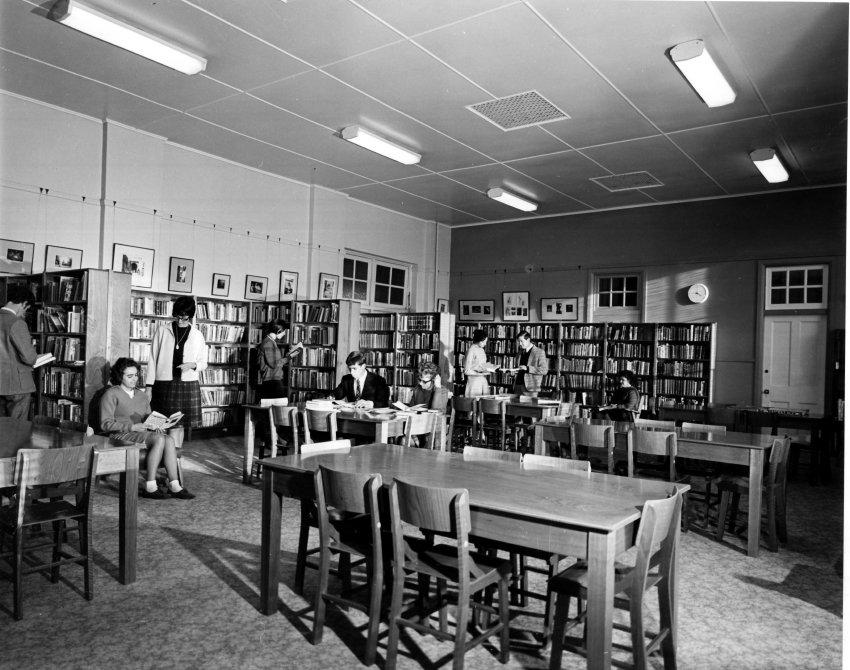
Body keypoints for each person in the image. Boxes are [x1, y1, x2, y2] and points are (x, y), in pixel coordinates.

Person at [101, 357, 194, 499]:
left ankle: (174, 485)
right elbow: (105, 424)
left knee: (168, 439)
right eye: (129, 376)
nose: (134, 379)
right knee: (159, 439)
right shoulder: (111, 394)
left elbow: (147, 417)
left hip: (141, 433)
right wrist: (131, 427)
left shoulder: (142, 395)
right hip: (119, 435)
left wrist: (156, 425)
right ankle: (150, 486)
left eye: (136, 375)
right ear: (120, 376)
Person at [145, 295, 207, 449]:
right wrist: (148, 387)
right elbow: (152, 359)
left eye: (184, 318)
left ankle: (175, 458)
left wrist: (193, 365)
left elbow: (204, 363)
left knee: (179, 426)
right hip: (164, 384)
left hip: (188, 385)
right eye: (178, 317)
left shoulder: (197, 335)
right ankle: (166, 457)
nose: (180, 321)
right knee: (162, 425)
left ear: (190, 317)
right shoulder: (162, 331)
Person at [0, 286, 38, 418]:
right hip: (17, 386)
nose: (24, 314)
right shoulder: (17, 323)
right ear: (24, 304)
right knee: (17, 427)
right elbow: (29, 358)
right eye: (26, 310)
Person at [513, 330, 549, 398]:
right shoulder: (520, 353)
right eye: (519, 342)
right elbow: (519, 368)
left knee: (530, 405)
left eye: (521, 341)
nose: (520, 344)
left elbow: (544, 370)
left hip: (531, 389)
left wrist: (528, 368)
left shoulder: (539, 352)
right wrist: (513, 371)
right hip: (517, 386)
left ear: (528, 340)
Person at [257, 319, 287, 399]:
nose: (284, 333)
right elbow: (273, 364)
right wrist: (288, 358)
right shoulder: (268, 343)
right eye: (284, 331)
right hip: (272, 382)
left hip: (272, 380)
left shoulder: (271, 342)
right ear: (279, 331)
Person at [463, 329, 496, 397]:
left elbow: (481, 365)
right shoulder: (471, 350)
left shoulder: (481, 350)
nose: (485, 344)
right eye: (484, 342)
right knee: (474, 402)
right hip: (474, 382)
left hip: (482, 380)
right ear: (479, 341)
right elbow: (466, 371)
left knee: (485, 401)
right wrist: (479, 373)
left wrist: (491, 367)